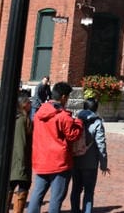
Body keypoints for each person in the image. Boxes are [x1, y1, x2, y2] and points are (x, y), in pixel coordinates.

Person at [27, 81, 83, 213]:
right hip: (59, 162)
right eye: (68, 97)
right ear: (63, 97)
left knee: (37, 194)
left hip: (41, 159)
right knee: (56, 198)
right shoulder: (63, 116)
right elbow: (73, 135)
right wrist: (79, 123)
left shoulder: (40, 112)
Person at [70, 98, 111, 213]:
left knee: (76, 189)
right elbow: (101, 145)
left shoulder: (76, 120)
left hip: (75, 159)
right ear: (96, 108)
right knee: (88, 191)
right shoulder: (97, 122)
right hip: (90, 162)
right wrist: (103, 164)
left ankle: (74, 210)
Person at [9, 90, 32, 213]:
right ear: (23, 104)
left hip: (16, 162)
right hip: (19, 163)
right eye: (29, 102)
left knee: (13, 187)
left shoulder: (21, 118)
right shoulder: (21, 120)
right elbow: (20, 143)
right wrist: (23, 165)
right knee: (21, 187)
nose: (31, 104)